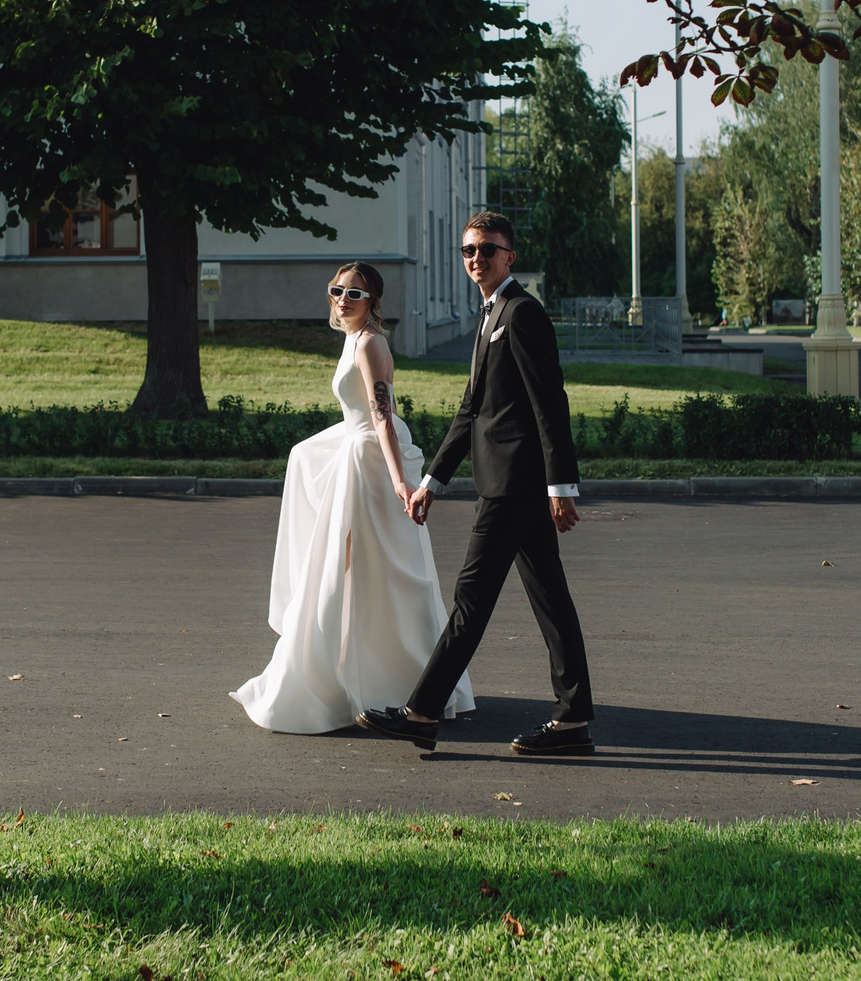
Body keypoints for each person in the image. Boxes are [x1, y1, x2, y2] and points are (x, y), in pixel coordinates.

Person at [358, 212, 595, 757]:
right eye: (468, 250)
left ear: (510, 257)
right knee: (551, 600)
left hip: (516, 486)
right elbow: (472, 409)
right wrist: (434, 480)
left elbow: (549, 403)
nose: (476, 258)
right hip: (505, 483)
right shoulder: (490, 315)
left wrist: (562, 486)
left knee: (471, 600)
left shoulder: (522, 312)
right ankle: (574, 720)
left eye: (487, 249)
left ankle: (421, 713)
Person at [230, 262, 473, 733]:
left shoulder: (369, 343)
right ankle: (360, 679)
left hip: (372, 467)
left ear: (374, 302)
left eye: (355, 294)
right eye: (337, 290)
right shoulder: (353, 338)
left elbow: (382, 415)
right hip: (357, 456)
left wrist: (401, 480)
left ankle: (400, 683)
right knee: (351, 573)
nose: (344, 299)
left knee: (378, 573)